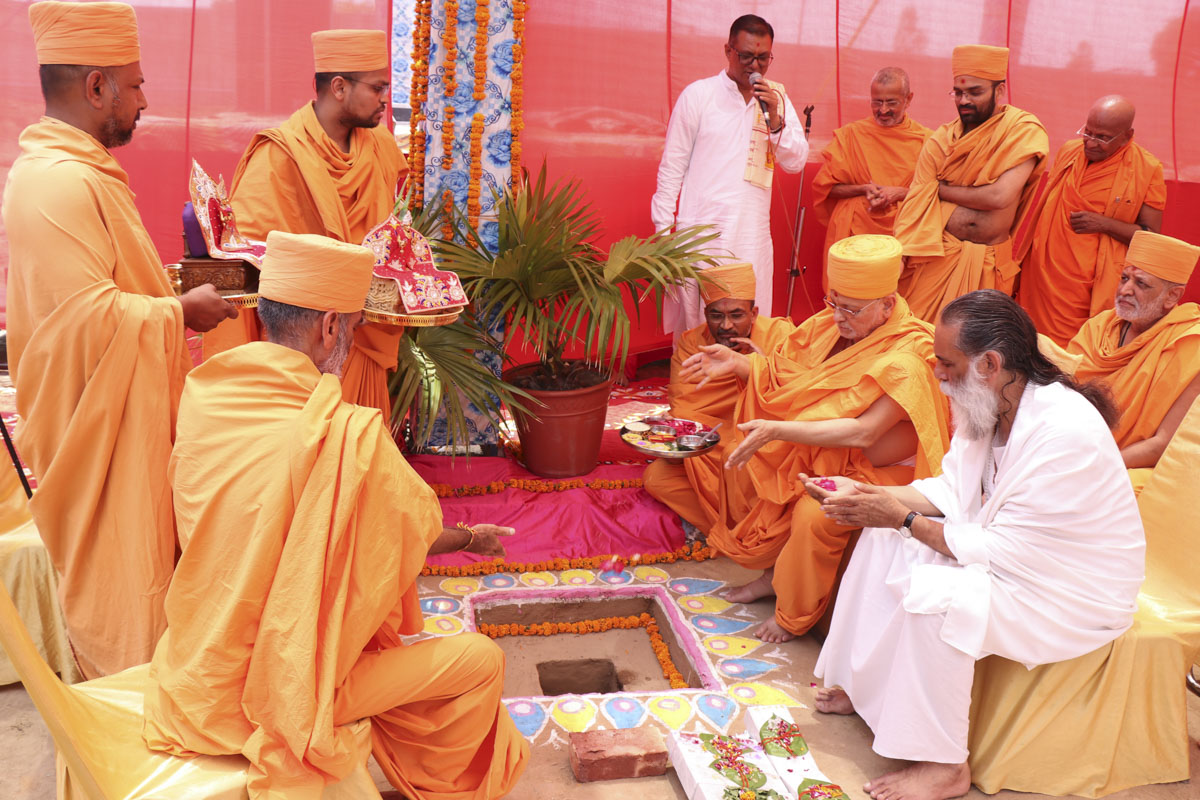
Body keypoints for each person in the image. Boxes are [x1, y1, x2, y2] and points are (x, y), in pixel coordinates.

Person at [143, 231, 529, 800]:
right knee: (479, 660)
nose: (351, 337)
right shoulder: (347, 434)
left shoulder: (207, 394)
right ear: (329, 327)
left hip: (196, 674)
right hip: (281, 690)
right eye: (353, 325)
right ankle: (444, 790)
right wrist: (470, 537)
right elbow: (406, 535)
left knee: (371, 640)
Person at [812, 290, 1144, 800]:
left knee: (940, 599)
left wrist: (899, 517)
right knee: (880, 536)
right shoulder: (989, 400)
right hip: (1009, 558)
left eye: (947, 363)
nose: (939, 375)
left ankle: (944, 767)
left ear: (989, 363)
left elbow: (1004, 551)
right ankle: (866, 690)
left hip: (1069, 591)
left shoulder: (1064, 430)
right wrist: (869, 497)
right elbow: (949, 490)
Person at [2, 0, 236, 679]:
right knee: (129, 610)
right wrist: (180, 313)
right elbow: (84, 319)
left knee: (156, 597)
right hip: (100, 442)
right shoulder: (58, 181)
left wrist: (169, 289)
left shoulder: (80, 170)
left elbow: (105, 287)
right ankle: (127, 759)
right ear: (95, 86)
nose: (145, 99)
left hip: (125, 423)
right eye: (134, 84)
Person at [644, 235, 949, 643]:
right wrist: (740, 363)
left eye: (851, 310)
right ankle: (771, 575)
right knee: (753, 464)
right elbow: (786, 379)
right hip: (824, 452)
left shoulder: (911, 353)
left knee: (815, 512)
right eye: (833, 302)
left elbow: (864, 431)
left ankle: (793, 616)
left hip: (885, 470)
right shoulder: (826, 327)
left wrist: (777, 430)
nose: (838, 317)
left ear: (887, 305)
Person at [210, 28, 408, 418]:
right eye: (378, 88)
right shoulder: (279, 156)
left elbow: (387, 236)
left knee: (362, 460)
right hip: (302, 353)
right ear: (338, 87)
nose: (386, 99)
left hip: (364, 337)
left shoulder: (381, 145)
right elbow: (245, 263)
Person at [651, 14, 808, 334]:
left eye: (763, 58)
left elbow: (796, 162)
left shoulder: (775, 98)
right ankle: (697, 382)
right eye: (746, 56)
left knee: (749, 316)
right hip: (700, 233)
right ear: (728, 51)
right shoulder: (698, 95)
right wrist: (664, 235)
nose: (755, 65)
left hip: (752, 234)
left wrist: (776, 121)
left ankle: (747, 382)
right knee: (699, 322)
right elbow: (671, 170)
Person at [893, 45, 1049, 322]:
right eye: (958, 92)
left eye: (975, 92)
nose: (964, 100)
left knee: (975, 353)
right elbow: (916, 205)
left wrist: (939, 190)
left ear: (999, 91)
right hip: (937, 259)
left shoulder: (1022, 131)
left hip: (987, 262)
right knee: (917, 339)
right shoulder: (941, 140)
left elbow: (999, 196)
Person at [1020, 96, 1166, 346]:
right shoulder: (1069, 152)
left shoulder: (1147, 169)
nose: (1091, 142)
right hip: (1042, 277)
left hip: (1090, 286)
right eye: (1088, 132)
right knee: (1029, 341)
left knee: (1075, 353)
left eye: (1103, 137)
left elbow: (1150, 236)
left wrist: (1103, 224)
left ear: (1127, 135)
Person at [1066, 231, 1200, 493]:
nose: (1126, 290)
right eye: (1125, 278)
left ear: (1173, 296)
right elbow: (1062, 398)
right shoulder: (1098, 327)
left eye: (1141, 284)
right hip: (1075, 450)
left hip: (1132, 466)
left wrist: (1097, 467)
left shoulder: (1190, 343)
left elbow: (1163, 443)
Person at [811, 68, 930, 285]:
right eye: (877, 102)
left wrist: (900, 193)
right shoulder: (852, 135)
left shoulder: (926, 141)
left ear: (908, 99)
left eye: (891, 102)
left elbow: (936, 193)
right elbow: (827, 188)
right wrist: (863, 188)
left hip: (903, 239)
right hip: (854, 238)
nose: (883, 110)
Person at [661, 260, 795, 429]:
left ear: (753, 314)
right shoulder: (693, 342)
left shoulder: (780, 334)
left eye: (736, 315)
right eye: (716, 316)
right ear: (706, 314)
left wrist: (757, 364)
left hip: (758, 430)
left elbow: (794, 399)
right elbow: (682, 407)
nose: (726, 325)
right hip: (707, 433)